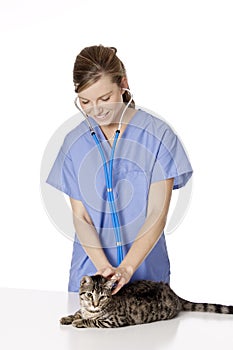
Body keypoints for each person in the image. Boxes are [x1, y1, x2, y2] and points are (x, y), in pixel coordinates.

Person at [46, 45, 193, 294]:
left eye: (105, 98)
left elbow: (157, 211)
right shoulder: (74, 143)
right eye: (85, 101)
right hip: (91, 275)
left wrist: (126, 268)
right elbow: (81, 217)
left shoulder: (157, 136)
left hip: (146, 278)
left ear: (123, 84)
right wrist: (104, 270)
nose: (96, 110)